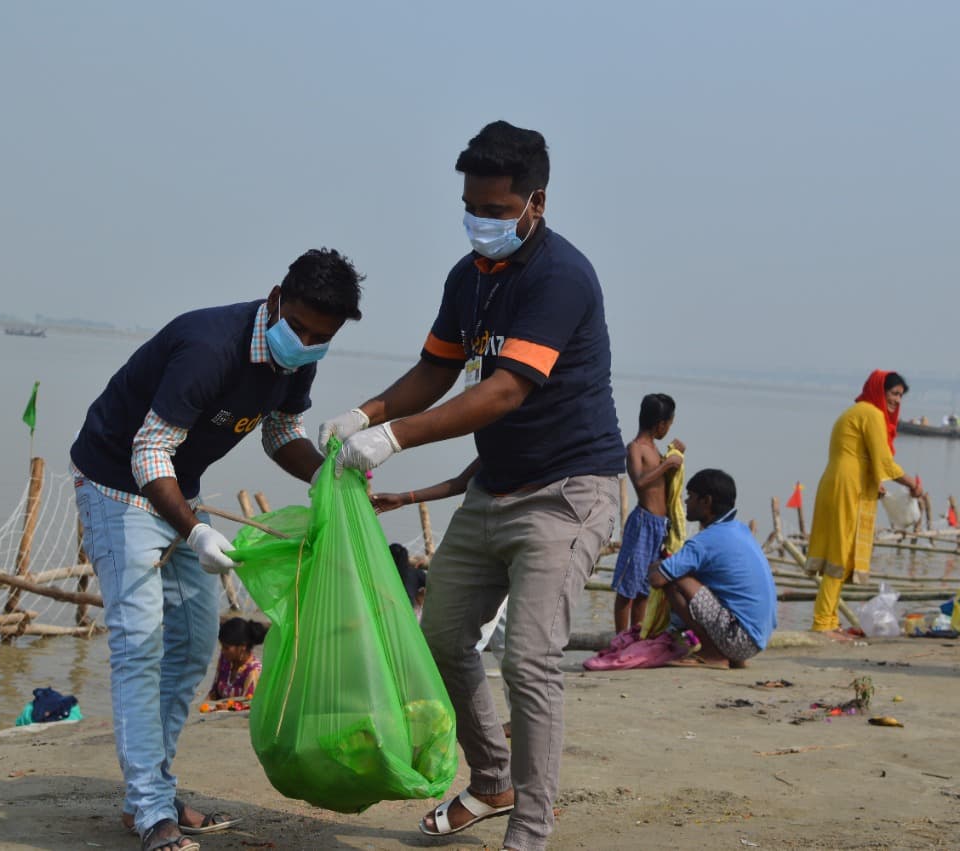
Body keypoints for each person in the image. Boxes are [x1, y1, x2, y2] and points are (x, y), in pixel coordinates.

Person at [319, 121, 624, 851]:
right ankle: (491, 780)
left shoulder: (561, 278)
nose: (479, 221)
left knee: (528, 658)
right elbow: (437, 371)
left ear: (535, 203)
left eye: (494, 209)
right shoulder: (468, 278)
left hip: (569, 492)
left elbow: (504, 392)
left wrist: (393, 439)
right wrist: (369, 410)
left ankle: (529, 829)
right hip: (496, 489)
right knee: (443, 636)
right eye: (470, 205)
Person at [69, 248, 363, 851]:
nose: (306, 342)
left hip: (178, 490)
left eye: (321, 337)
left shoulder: (296, 359)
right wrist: (197, 531)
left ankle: (151, 791)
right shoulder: (209, 345)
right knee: (139, 645)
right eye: (301, 327)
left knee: (192, 645)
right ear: (277, 296)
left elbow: (281, 432)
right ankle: (153, 812)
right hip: (115, 485)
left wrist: (335, 480)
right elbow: (148, 451)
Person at [804, 371, 922, 636]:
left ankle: (830, 618)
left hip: (841, 481)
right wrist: (913, 484)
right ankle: (823, 622)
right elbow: (885, 463)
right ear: (879, 390)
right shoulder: (871, 413)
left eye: (900, 396)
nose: (896, 400)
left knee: (840, 551)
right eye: (893, 393)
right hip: (847, 485)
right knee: (840, 552)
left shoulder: (858, 411)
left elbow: (861, 456)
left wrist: (875, 483)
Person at [648, 469, 777, 668]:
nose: (685, 502)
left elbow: (657, 579)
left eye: (691, 496)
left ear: (706, 502)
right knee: (690, 574)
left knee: (673, 579)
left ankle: (712, 654)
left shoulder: (705, 541)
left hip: (739, 639)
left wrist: (657, 565)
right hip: (757, 639)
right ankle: (731, 656)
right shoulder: (740, 530)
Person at [612, 394, 685, 634]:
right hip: (643, 523)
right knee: (627, 588)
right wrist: (666, 465)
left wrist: (674, 456)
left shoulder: (655, 449)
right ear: (660, 424)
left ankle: (638, 636)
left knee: (645, 587)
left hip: (659, 526)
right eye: (669, 424)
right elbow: (640, 482)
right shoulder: (635, 448)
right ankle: (620, 638)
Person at [206, 617, 267, 701]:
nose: (222, 651)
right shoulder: (225, 660)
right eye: (222, 646)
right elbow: (214, 693)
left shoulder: (253, 672)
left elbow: (245, 708)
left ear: (242, 647)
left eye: (226, 648)